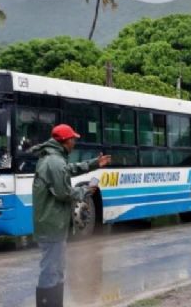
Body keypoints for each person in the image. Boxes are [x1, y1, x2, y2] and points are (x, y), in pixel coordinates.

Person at [32, 124, 111, 307]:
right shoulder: (54, 162)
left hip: (51, 223)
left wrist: (93, 164)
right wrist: (85, 190)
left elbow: (68, 170)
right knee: (51, 272)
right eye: (73, 139)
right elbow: (64, 193)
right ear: (65, 141)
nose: (75, 142)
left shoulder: (54, 158)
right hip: (52, 225)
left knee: (55, 271)